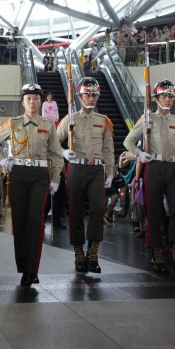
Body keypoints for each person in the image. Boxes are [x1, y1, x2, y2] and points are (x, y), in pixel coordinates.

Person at [0, 83, 64, 286]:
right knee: (20, 222)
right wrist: (3, 160)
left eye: (36, 98)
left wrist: (55, 179)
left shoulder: (48, 125)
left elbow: (57, 155)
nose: (32, 102)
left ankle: (33, 269)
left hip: (40, 175)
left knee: (36, 222)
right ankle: (23, 267)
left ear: (41, 101)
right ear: (23, 102)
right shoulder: (13, 123)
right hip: (19, 174)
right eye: (28, 98)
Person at [123, 79, 175, 273]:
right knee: (155, 213)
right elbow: (128, 141)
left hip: (172, 168)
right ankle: (156, 253)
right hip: (153, 166)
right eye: (164, 96)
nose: (168, 100)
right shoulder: (147, 118)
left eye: (170, 96)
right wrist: (139, 153)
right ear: (156, 98)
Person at [57, 77, 115, 273]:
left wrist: (110, 171)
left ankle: (93, 252)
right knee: (75, 211)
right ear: (80, 96)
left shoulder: (104, 121)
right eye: (88, 95)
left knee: (99, 210)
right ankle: (78, 253)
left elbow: (108, 149)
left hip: (97, 169)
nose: (91, 98)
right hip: (77, 168)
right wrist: (64, 152)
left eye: (94, 95)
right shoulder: (70, 119)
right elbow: (53, 142)